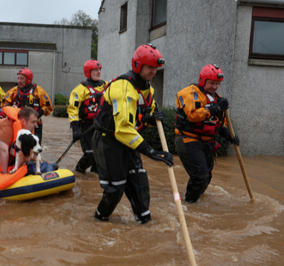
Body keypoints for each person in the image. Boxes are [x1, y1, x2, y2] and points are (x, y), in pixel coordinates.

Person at [92, 44, 173, 224]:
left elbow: (141, 119)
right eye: (149, 67)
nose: (154, 71)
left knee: (139, 183)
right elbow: (123, 128)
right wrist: (151, 151)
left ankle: (145, 223)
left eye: (156, 68)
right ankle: (98, 222)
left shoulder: (148, 90)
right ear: (138, 65)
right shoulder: (123, 86)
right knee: (115, 189)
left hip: (129, 142)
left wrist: (151, 119)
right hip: (109, 141)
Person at [174, 64, 239, 204]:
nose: (215, 87)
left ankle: (196, 199)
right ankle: (189, 204)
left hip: (205, 141)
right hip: (188, 140)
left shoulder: (217, 98)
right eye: (212, 83)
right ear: (203, 80)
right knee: (200, 175)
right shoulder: (190, 93)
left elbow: (219, 122)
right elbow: (193, 115)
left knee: (207, 176)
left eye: (217, 84)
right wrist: (216, 108)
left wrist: (229, 134)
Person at [67, 59, 108, 174]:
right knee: (90, 153)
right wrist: (75, 129)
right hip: (87, 125)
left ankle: (94, 175)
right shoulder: (79, 90)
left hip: (103, 125)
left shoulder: (107, 87)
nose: (98, 72)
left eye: (99, 69)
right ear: (87, 72)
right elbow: (72, 109)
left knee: (101, 154)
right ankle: (79, 170)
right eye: (95, 70)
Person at [0, 105, 40, 176]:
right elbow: (3, 151)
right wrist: (5, 175)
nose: (36, 125)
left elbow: (29, 153)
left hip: (7, 158)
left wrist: (40, 162)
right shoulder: (7, 127)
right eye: (33, 122)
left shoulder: (26, 133)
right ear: (23, 121)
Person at [3, 68, 53, 143]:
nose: (19, 81)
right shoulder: (13, 91)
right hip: (19, 123)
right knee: (17, 144)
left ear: (28, 79)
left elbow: (48, 107)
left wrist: (36, 115)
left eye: (22, 78)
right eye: (18, 78)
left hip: (35, 123)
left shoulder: (38, 91)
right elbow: (4, 103)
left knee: (34, 146)